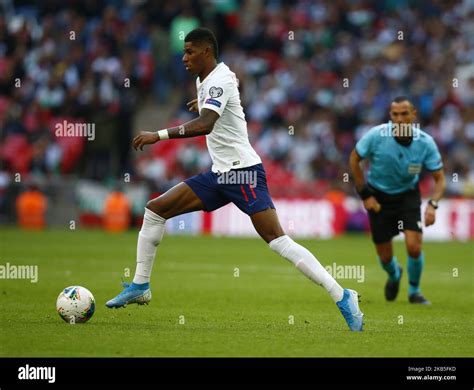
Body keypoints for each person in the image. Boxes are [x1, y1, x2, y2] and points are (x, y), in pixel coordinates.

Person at [106, 28, 363, 331]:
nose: (184, 57)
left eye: (190, 51)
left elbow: (206, 123)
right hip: (219, 174)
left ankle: (343, 295)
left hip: (243, 172)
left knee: (278, 241)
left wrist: (158, 135)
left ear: (206, 51)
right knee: (155, 209)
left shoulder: (221, 79)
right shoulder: (206, 79)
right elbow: (216, 105)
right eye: (184, 51)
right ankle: (140, 286)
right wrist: (202, 101)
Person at [349, 97, 446, 304]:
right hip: (378, 197)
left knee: (414, 247)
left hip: (407, 196)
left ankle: (414, 291)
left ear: (414, 115)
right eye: (395, 115)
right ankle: (394, 274)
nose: (400, 119)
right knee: (385, 257)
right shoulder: (376, 136)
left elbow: (440, 179)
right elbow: (354, 159)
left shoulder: (425, 143)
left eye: (404, 114)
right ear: (390, 116)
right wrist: (365, 195)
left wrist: (433, 204)